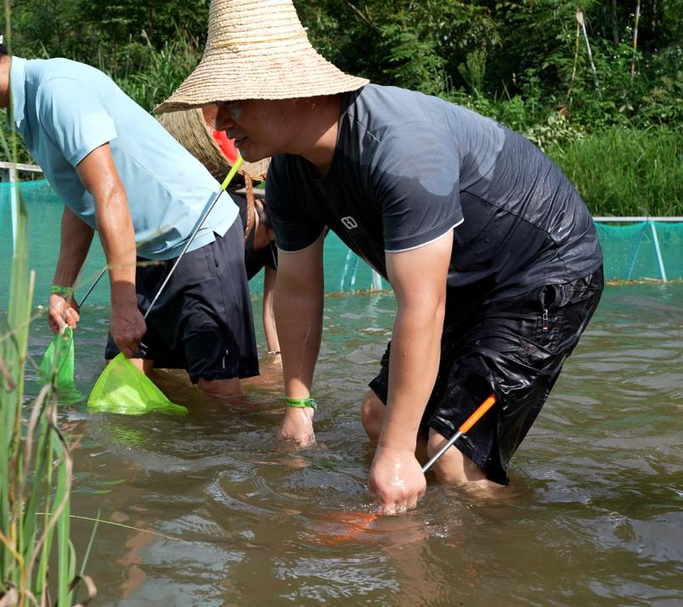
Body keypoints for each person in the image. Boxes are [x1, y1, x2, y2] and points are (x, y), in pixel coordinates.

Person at [156, 0, 603, 513]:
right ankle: (421, 514)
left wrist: (394, 455)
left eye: (231, 101)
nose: (218, 121)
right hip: (458, 278)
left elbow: (422, 307)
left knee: (452, 457)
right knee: (378, 417)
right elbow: (298, 288)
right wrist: (299, 405)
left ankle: (495, 554)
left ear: (288, 87)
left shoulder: (401, 148)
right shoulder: (289, 174)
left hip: (543, 267)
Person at [0, 10, 258, 397]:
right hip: (143, 247)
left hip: (194, 233)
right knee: (125, 377)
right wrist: (63, 288)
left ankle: (280, 451)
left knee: (218, 393)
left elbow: (109, 193)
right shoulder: (26, 108)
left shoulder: (58, 90)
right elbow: (81, 201)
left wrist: (123, 305)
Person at [157, 106, 281, 355]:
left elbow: (273, 310)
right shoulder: (228, 215)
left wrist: (277, 360)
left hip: (203, 295)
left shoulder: (287, 238)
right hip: (176, 276)